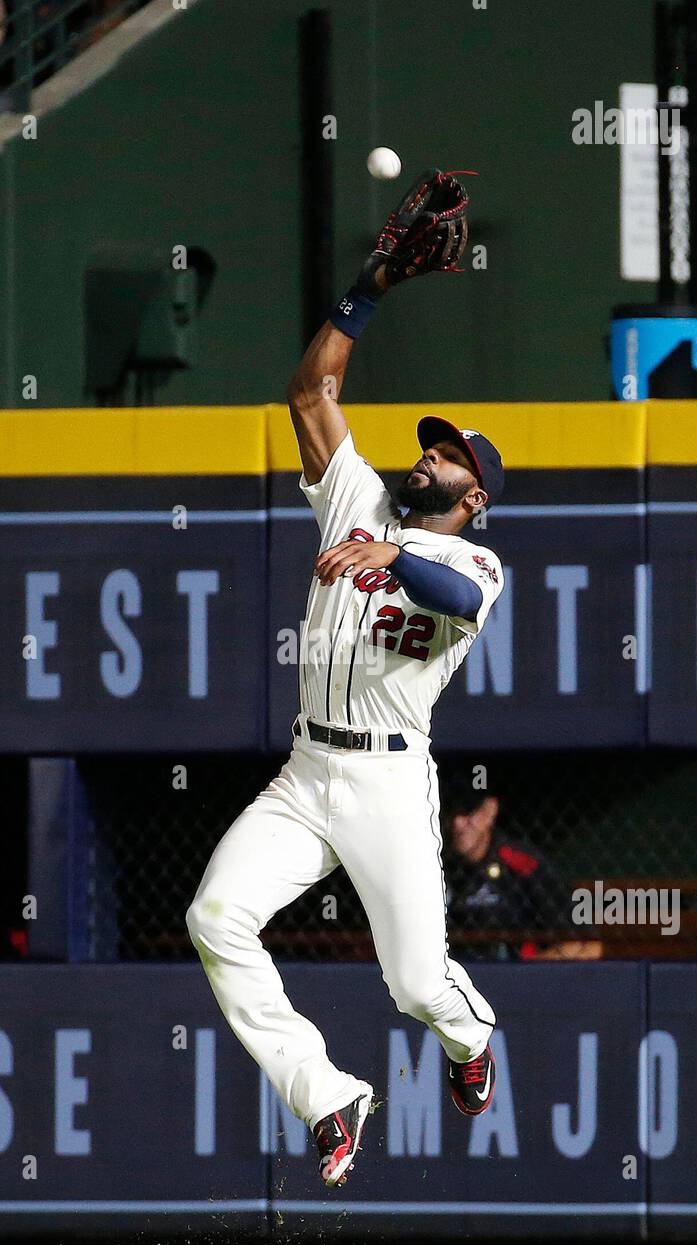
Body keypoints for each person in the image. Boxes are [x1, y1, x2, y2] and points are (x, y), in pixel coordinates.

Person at [187, 171, 505, 1187]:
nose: (431, 458)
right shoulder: (360, 499)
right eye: (431, 446)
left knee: (415, 985)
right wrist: (368, 285)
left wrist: (390, 558)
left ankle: (470, 1036)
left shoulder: (474, 563)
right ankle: (326, 1094)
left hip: (382, 785)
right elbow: (309, 393)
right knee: (213, 917)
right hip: (304, 773)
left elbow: (448, 603)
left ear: (477, 495)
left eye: (451, 457)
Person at [444, 793, 575, 960]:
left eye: (468, 812)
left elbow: (584, 945)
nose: (458, 823)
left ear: (490, 810)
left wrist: (525, 972)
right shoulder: (436, 865)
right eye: (451, 812)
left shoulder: (524, 864)